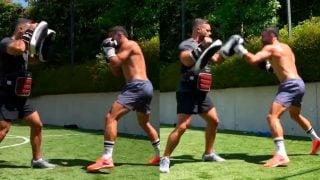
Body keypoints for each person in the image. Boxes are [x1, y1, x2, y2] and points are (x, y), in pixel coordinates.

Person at [230, 27, 320, 167]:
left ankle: (281, 154)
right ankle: (316, 139)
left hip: (289, 85)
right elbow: (283, 66)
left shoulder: (270, 48)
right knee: (295, 115)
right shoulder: (286, 48)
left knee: (272, 117)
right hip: (299, 83)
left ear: (272, 35)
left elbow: (253, 60)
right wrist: (268, 66)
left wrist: (239, 49)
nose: (261, 38)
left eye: (263, 36)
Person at [159, 18, 230, 173]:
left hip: (202, 92)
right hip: (187, 90)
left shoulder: (208, 45)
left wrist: (227, 50)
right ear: (199, 29)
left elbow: (217, 60)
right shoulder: (188, 44)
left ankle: (208, 153)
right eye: (208, 30)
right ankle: (165, 159)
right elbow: (186, 60)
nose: (210, 32)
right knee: (182, 126)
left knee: (214, 121)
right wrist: (203, 47)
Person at [86, 26, 160, 172]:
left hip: (136, 86)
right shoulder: (121, 50)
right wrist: (110, 53)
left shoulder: (130, 44)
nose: (110, 40)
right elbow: (116, 71)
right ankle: (159, 155)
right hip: (144, 87)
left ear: (119, 35)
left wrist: (110, 52)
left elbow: (116, 61)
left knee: (110, 117)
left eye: (111, 37)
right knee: (144, 123)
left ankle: (107, 158)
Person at [0, 18, 56, 169]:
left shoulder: (24, 49)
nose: (33, 34)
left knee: (37, 125)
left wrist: (45, 46)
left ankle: (37, 160)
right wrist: (29, 36)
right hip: (6, 96)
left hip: (22, 97)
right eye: (30, 30)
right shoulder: (6, 42)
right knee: (3, 130)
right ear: (21, 30)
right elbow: (16, 49)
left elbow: (35, 59)